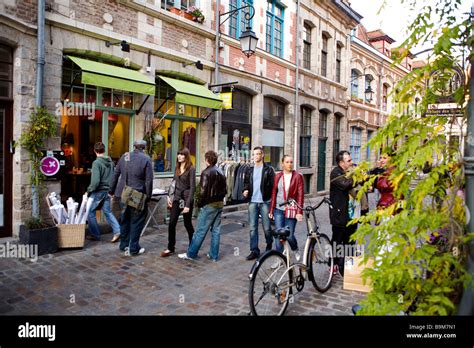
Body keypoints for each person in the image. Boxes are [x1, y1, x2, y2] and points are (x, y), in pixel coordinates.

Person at [178, 150, 227, 261]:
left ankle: (191, 254)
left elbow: (203, 191)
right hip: (219, 204)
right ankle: (214, 255)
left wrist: (199, 204)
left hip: (209, 205)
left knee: (200, 230)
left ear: (207, 160)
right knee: (216, 230)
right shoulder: (221, 171)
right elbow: (225, 189)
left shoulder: (206, 172)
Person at [109, 140, 153, 256]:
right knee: (137, 221)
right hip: (136, 194)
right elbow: (149, 181)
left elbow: (116, 174)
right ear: (144, 147)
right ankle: (133, 248)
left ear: (134, 147)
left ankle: (124, 245)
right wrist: (148, 196)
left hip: (123, 194)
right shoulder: (146, 159)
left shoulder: (125, 156)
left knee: (125, 220)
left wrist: (111, 190)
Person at [161, 148, 196, 257]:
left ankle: (193, 246)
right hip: (176, 198)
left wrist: (188, 205)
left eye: (181, 154)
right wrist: (168, 196)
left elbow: (192, 188)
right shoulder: (177, 167)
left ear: (186, 156)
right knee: (171, 223)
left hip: (186, 200)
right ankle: (170, 248)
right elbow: (173, 183)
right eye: (178, 154)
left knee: (187, 224)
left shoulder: (191, 169)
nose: (179, 156)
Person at [242, 146, 275, 260]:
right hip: (252, 201)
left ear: (262, 155)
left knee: (266, 227)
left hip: (265, 201)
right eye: (254, 154)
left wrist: (271, 201)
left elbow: (273, 186)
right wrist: (245, 190)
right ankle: (254, 250)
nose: (255, 156)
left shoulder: (269, 169)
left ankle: (269, 244)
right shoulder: (249, 169)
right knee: (252, 227)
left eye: (258, 154)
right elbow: (246, 183)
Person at [269, 155, 304, 260]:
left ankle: (295, 248)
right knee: (279, 235)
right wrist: (271, 209)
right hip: (278, 210)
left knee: (289, 235)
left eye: (291, 162)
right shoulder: (277, 176)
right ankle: (279, 258)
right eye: (287, 162)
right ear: (282, 164)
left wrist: (299, 211)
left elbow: (300, 195)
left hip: (291, 210)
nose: (290, 164)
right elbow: (274, 193)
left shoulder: (298, 176)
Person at [85, 142, 121, 242]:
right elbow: (114, 177)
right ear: (104, 150)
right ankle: (117, 231)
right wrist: (112, 190)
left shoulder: (96, 163)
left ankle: (95, 235)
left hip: (99, 191)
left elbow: (95, 182)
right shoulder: (111, 162)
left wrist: (89, 190)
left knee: (90, 211)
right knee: (107, 211)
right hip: (108, 191)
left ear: (95, 151)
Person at [329, 150, 355, 277]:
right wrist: (356, 177)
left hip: (352, 214)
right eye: (349, 161)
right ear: (341, 163)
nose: (351, 162)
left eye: (351, 159)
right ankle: (334, 264)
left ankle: (347, 267)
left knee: (350, 241)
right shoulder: (336, 173)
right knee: (337, 240)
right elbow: (345, 185)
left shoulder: (349, 171)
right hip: (340, 213)